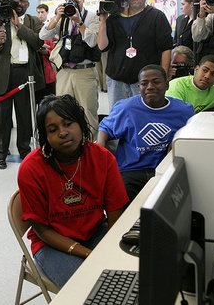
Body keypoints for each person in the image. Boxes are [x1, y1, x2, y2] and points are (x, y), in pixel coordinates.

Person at [18, 94, 128, 288]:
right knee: (90, 288)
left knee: (129, 271)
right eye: (53, 129)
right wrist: (87, 254)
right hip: (52, 244)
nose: (63, 132)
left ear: (81, 123)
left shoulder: (103, 159)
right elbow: (41, 230)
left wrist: (110, 251)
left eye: (68, 123)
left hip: (95, 232)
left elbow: (114, 215)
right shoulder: (31, 169)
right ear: (45, 136)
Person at [98, 65, 195, 201]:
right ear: (139, 88)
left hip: (164, 168)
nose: (150, 86)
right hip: (131, 170)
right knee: (121, 204)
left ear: (167, 85)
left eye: (156, 82)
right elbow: (105, 128)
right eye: (144, 83)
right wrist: (100, 149)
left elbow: (193, 134)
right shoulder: (126, 108)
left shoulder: (183, 111)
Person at [0, 0, 45, 169]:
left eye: (22, 1)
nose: (19, 4)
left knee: (25, 117)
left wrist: (19, 25)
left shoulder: (34, 21)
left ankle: (25, 152)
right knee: (2, 119)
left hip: (25, 74)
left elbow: (37, 42)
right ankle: (0, 155)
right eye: (15, 1)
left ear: (28, 4)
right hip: (3, 74)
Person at [97, 0, 173, 108]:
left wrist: (163, 76)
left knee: (144, 116)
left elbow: (166, 48)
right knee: (119, 117)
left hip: (146, 82)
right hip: (116, 80)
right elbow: (102, 46)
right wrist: (103, 20)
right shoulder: (114, 18)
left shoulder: (156, 16)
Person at [40, 0, 101, 139]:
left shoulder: (92, 16)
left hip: (85, 71)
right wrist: (57, 17)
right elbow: (43, 35)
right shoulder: (63, 18)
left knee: (88, 111)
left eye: (76, 1)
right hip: (64, 72)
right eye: (69, 1)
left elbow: (93, 41)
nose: (73, 5)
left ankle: (90, 145)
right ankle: (69, 143)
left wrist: (79, 21)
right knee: (63, 111)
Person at [36, 3, 56, 104]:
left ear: (47, 12)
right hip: (38, 70)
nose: (40, 15)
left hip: (49, 69)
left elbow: (55, 50)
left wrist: (47, 52)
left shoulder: (52, 28)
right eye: (38, 12)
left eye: (42, 12)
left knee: (51, 101)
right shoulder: (34, 29)